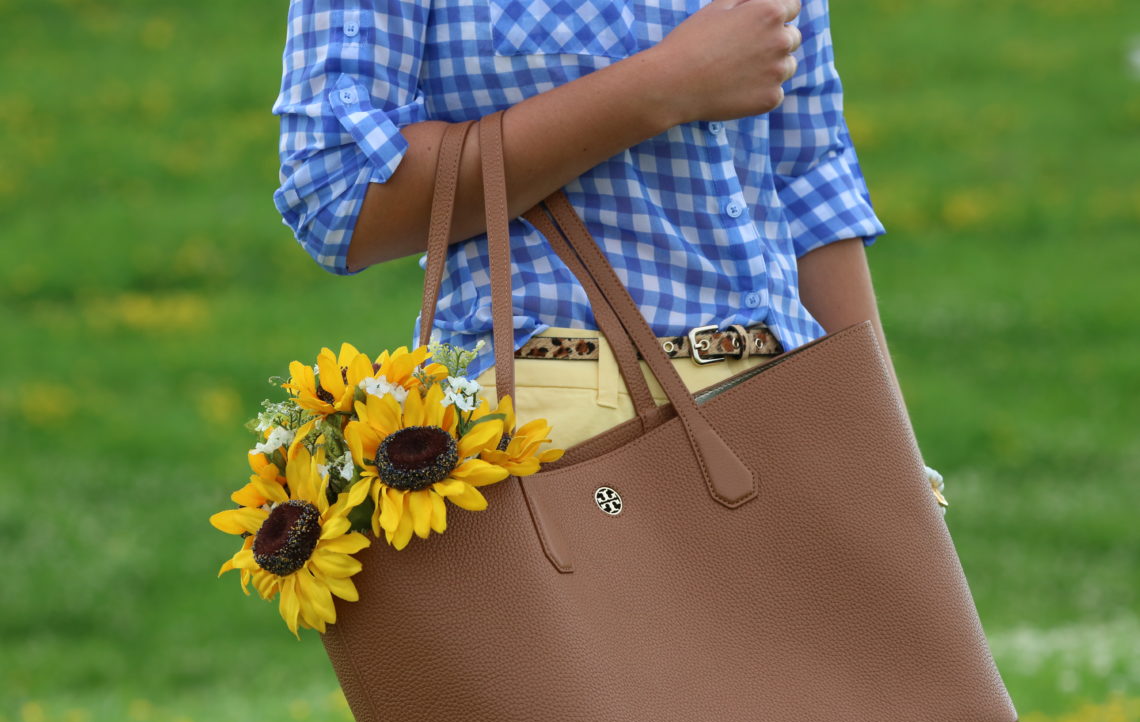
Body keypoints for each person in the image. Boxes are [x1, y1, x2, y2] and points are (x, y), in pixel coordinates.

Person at [270, 0, 905, 460]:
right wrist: (665, 85)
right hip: (561, 432)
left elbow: (808, 185)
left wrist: (887, 453)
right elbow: (338, 196)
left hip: (786, 404)